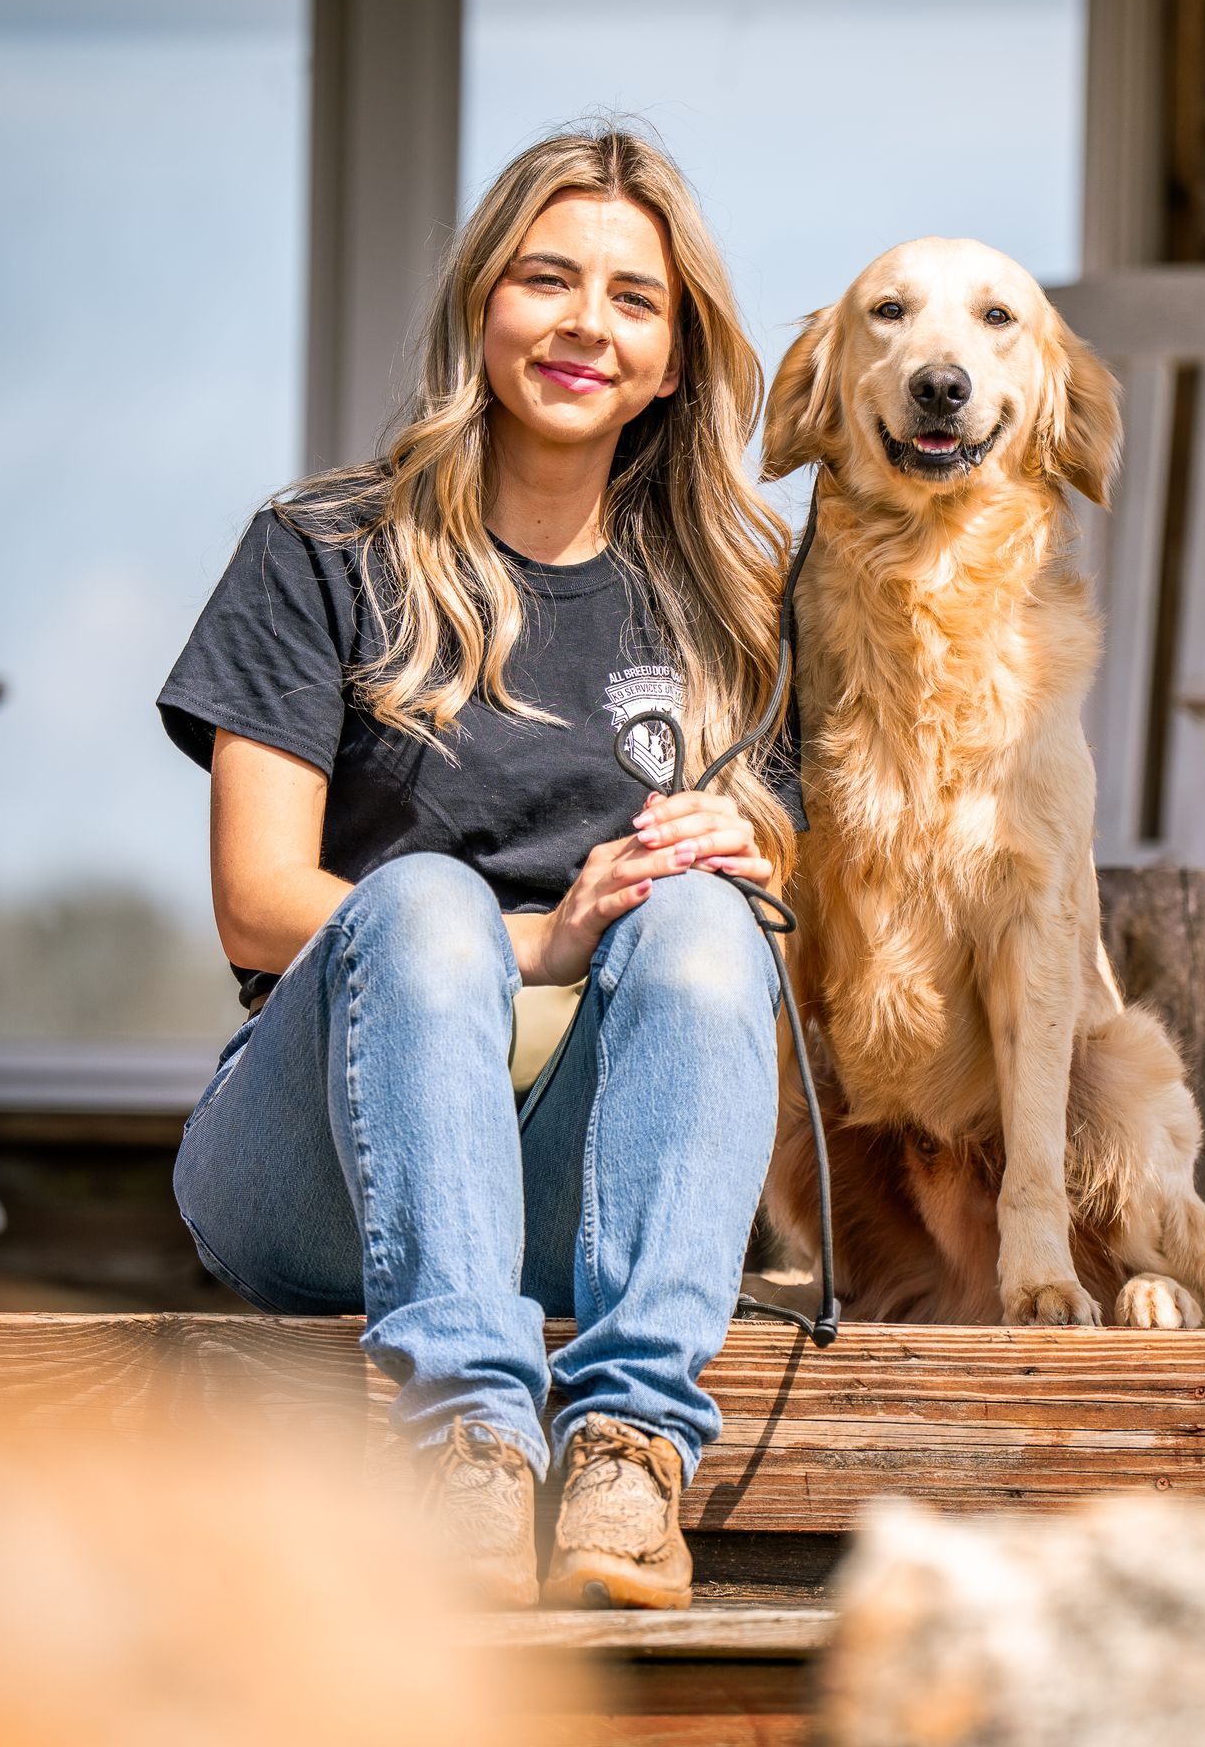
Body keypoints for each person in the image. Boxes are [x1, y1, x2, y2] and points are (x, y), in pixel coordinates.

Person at [156, 126, 800, 1611]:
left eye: (634, 300)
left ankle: (634, 1450)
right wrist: (539, 938)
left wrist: (759, 851)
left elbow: (806, 906)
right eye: (547, 279)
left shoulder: (744, 595)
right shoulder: (323, 548)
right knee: (426, 898)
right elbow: (257, 899)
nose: (586, 323)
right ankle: (468, 1445)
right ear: (482, 308)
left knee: (709, 920)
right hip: (319, 1163)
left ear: (678, 358)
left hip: (586, 1184)